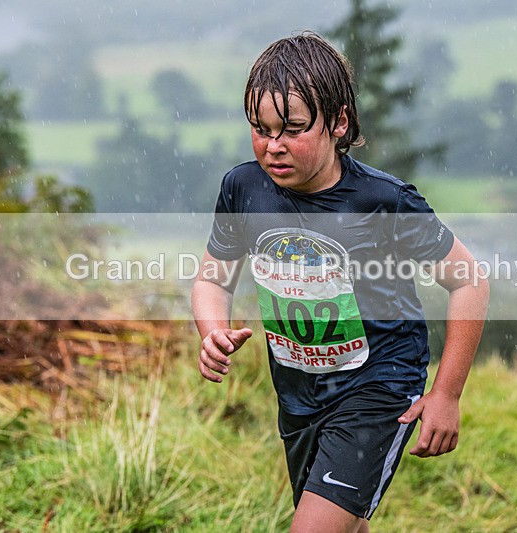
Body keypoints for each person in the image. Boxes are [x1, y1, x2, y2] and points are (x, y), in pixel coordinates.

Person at [192, 31, 489, 532]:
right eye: (260, 129)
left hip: (379, 387)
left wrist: (447, 394)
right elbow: (212, 278)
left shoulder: (384, 202)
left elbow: (470, 282)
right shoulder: (242, 188)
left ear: (339, 123)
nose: (273, 146)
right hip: (298, 396)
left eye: (293, 129)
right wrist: (211, 329)